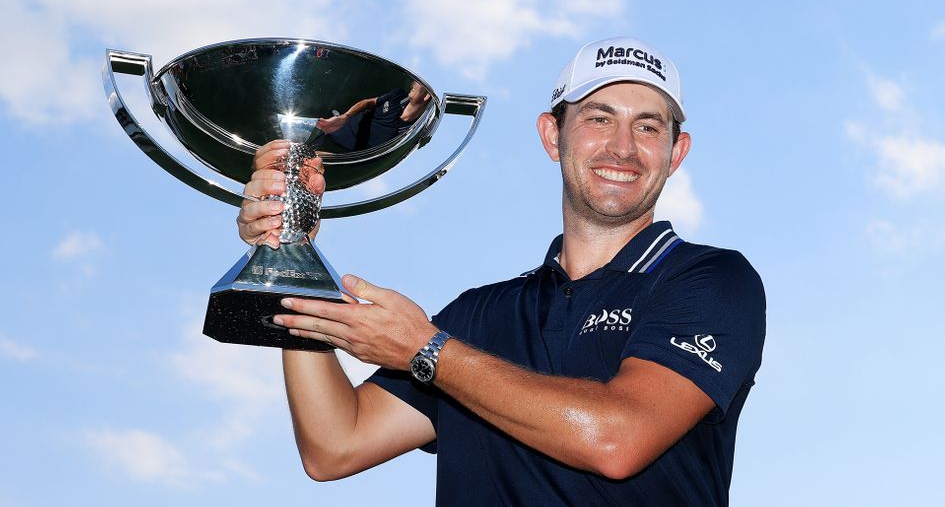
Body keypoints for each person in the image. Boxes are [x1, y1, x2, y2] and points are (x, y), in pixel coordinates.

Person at [236, 37, 765, 506]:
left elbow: (617, 439)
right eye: (598, 119)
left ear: (676, 153)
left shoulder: (711, 279)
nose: (623, 148)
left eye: (647, 127)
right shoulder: (478, 315)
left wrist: (427, 351)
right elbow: (335, 445)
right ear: (552, 136)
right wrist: (292, 250)